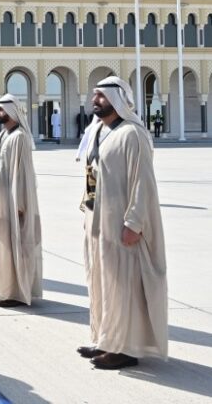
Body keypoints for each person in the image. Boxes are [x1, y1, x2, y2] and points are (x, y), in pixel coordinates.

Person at [78, 77, 167, 370]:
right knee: (101, 282)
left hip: (122, 225)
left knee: (123, 285)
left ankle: (125, 348)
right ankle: (106, 339)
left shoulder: (132, 134)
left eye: (102, 96)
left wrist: (134, 222)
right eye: (95, 96)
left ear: (118, 100)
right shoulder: (99, 132)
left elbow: (143, 183)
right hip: (98, 220)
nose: (96, 100)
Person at [0, 94, 43, 308]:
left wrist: (20, 203)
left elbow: (23, 174)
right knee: (3, 243)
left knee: (16, 245)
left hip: (14, 201)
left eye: (0, 110)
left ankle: (16, 292)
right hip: (2, 197)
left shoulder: (19, 137)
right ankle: (4, 287)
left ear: (11, 112)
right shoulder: (5, 135)